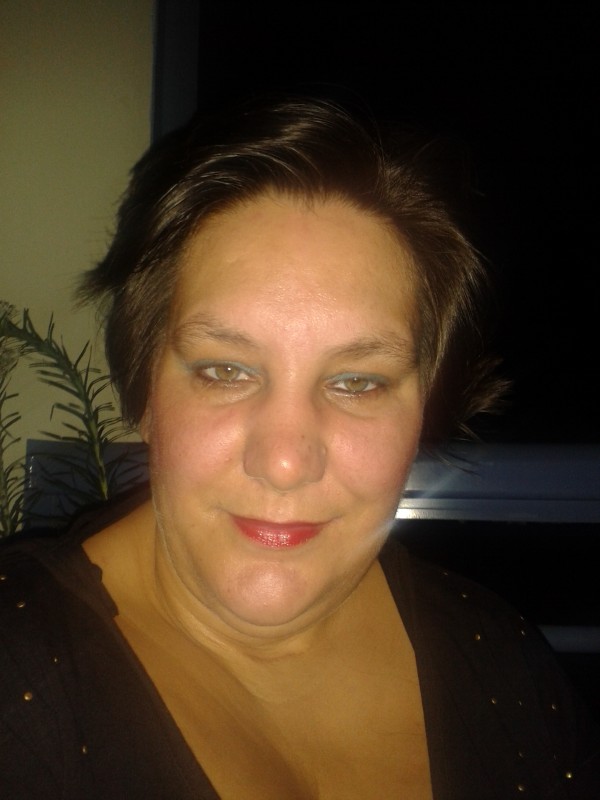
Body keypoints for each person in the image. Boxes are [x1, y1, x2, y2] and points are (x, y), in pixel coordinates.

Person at [1, 95, 598, 799]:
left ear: (423, 412)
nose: (285, 462)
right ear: (146, 394)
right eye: (226, 371)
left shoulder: (501, 662)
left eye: (356, 382)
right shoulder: (19, 684)